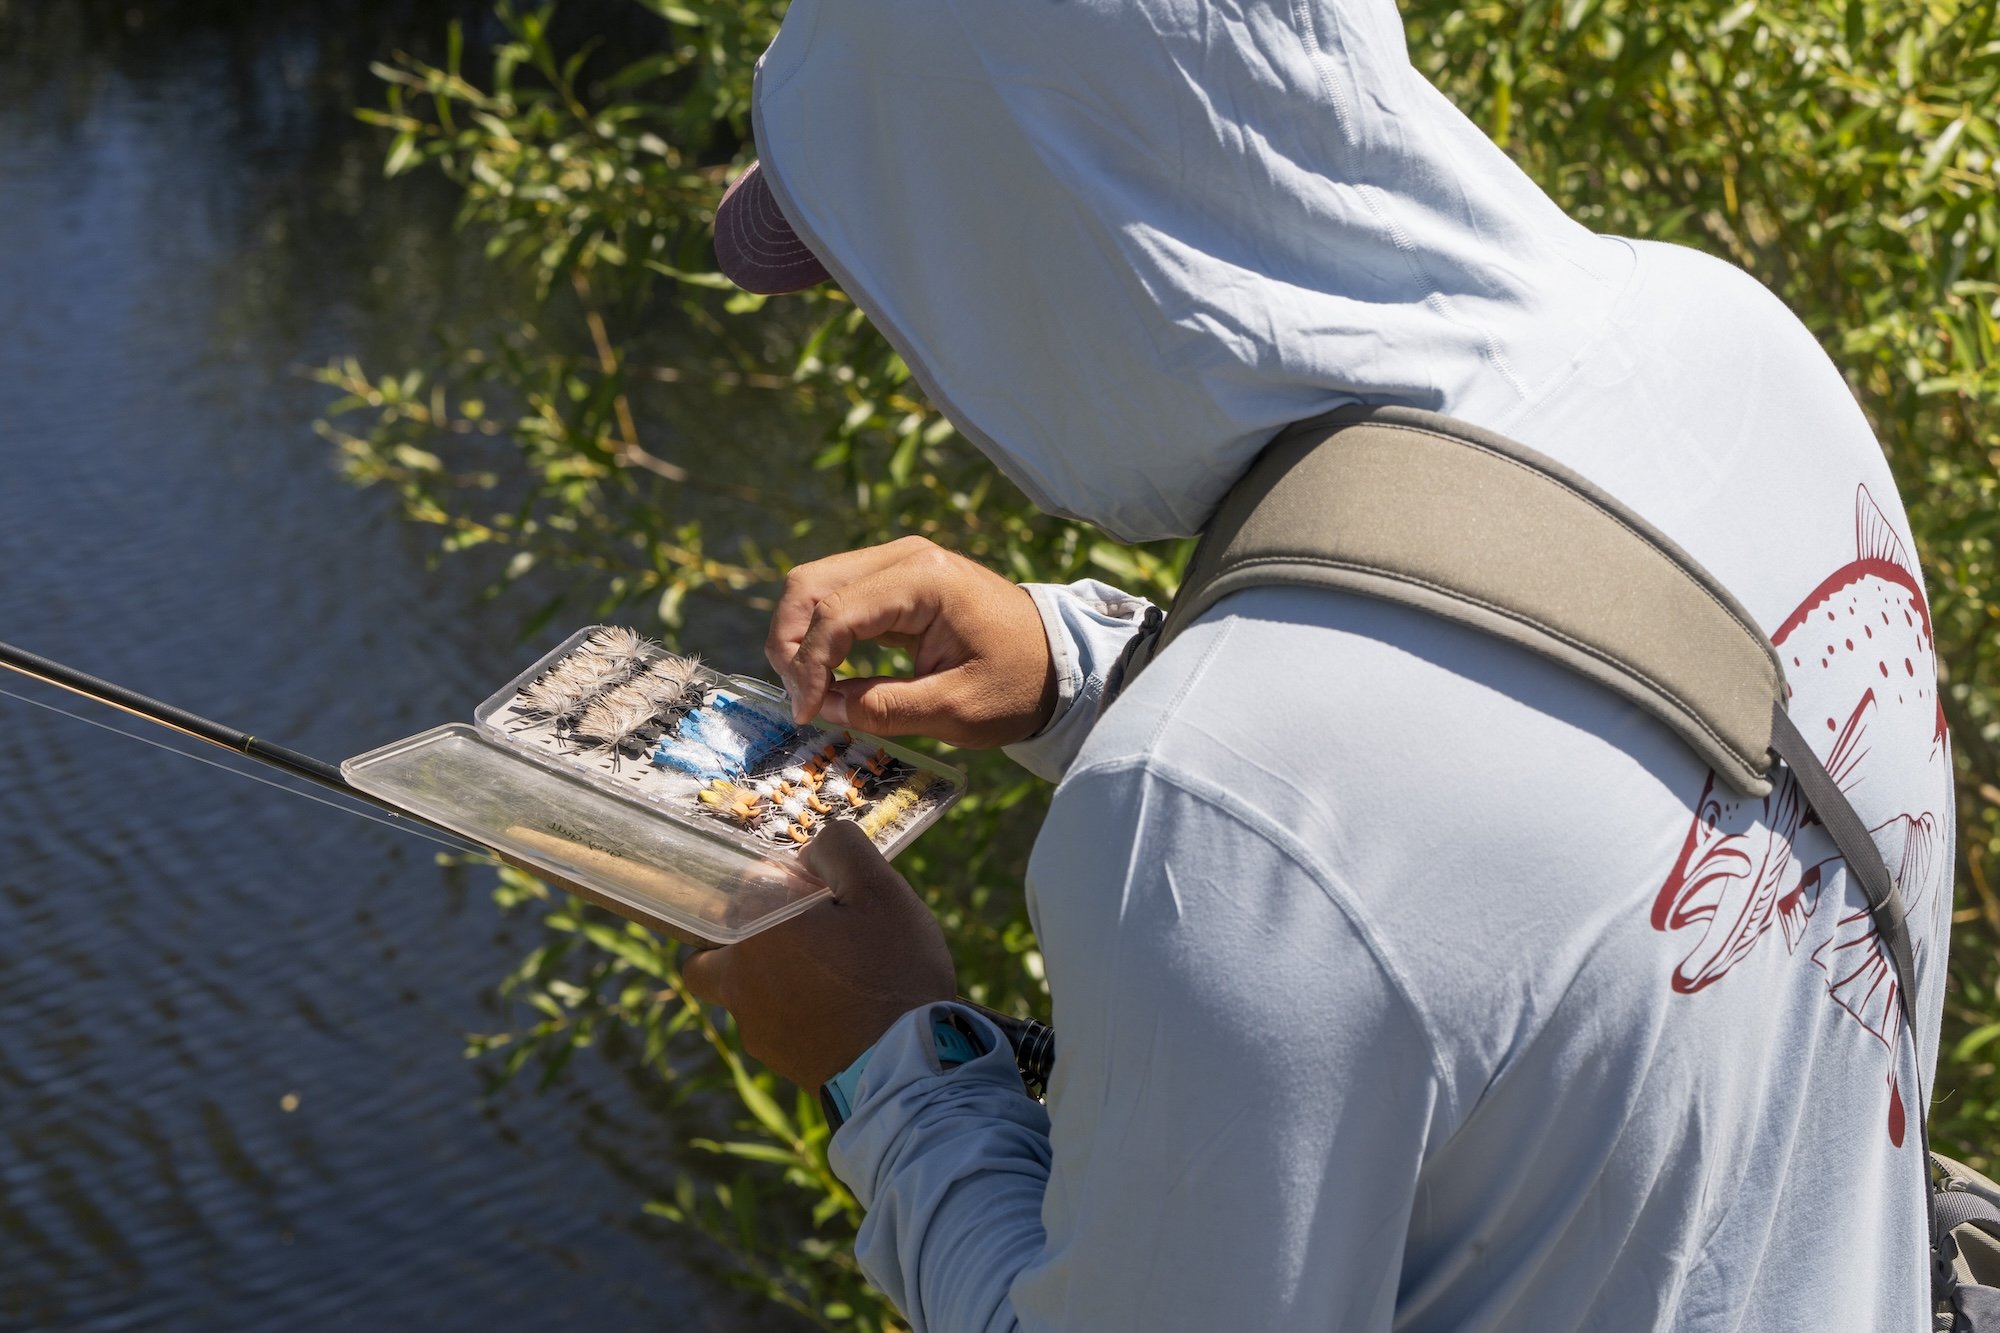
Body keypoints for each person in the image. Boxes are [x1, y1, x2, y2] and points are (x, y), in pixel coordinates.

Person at [680, 0, 1957, 1327]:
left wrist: (888, 1059)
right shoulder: (1731, 339)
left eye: (903, 280)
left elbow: (1331, 829)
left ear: (1031, 244)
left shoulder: (1214, 813)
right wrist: (1083, 674)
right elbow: (1506, 812)